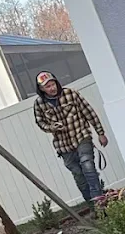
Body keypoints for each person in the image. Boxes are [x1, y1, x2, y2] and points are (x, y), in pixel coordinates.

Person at [33, 71, 109, 203]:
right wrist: (52, 127)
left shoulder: (71, 94)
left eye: (53, 84)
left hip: (81, 135)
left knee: (88, 166)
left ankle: (99, 201)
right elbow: (40, 123)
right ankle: (92, 204)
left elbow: (89, 112)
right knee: (79, 176)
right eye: (47, 86)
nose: (52, 88)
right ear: (41, 88)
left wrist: (100, 133)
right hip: (63, 146)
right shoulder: (39, 104)